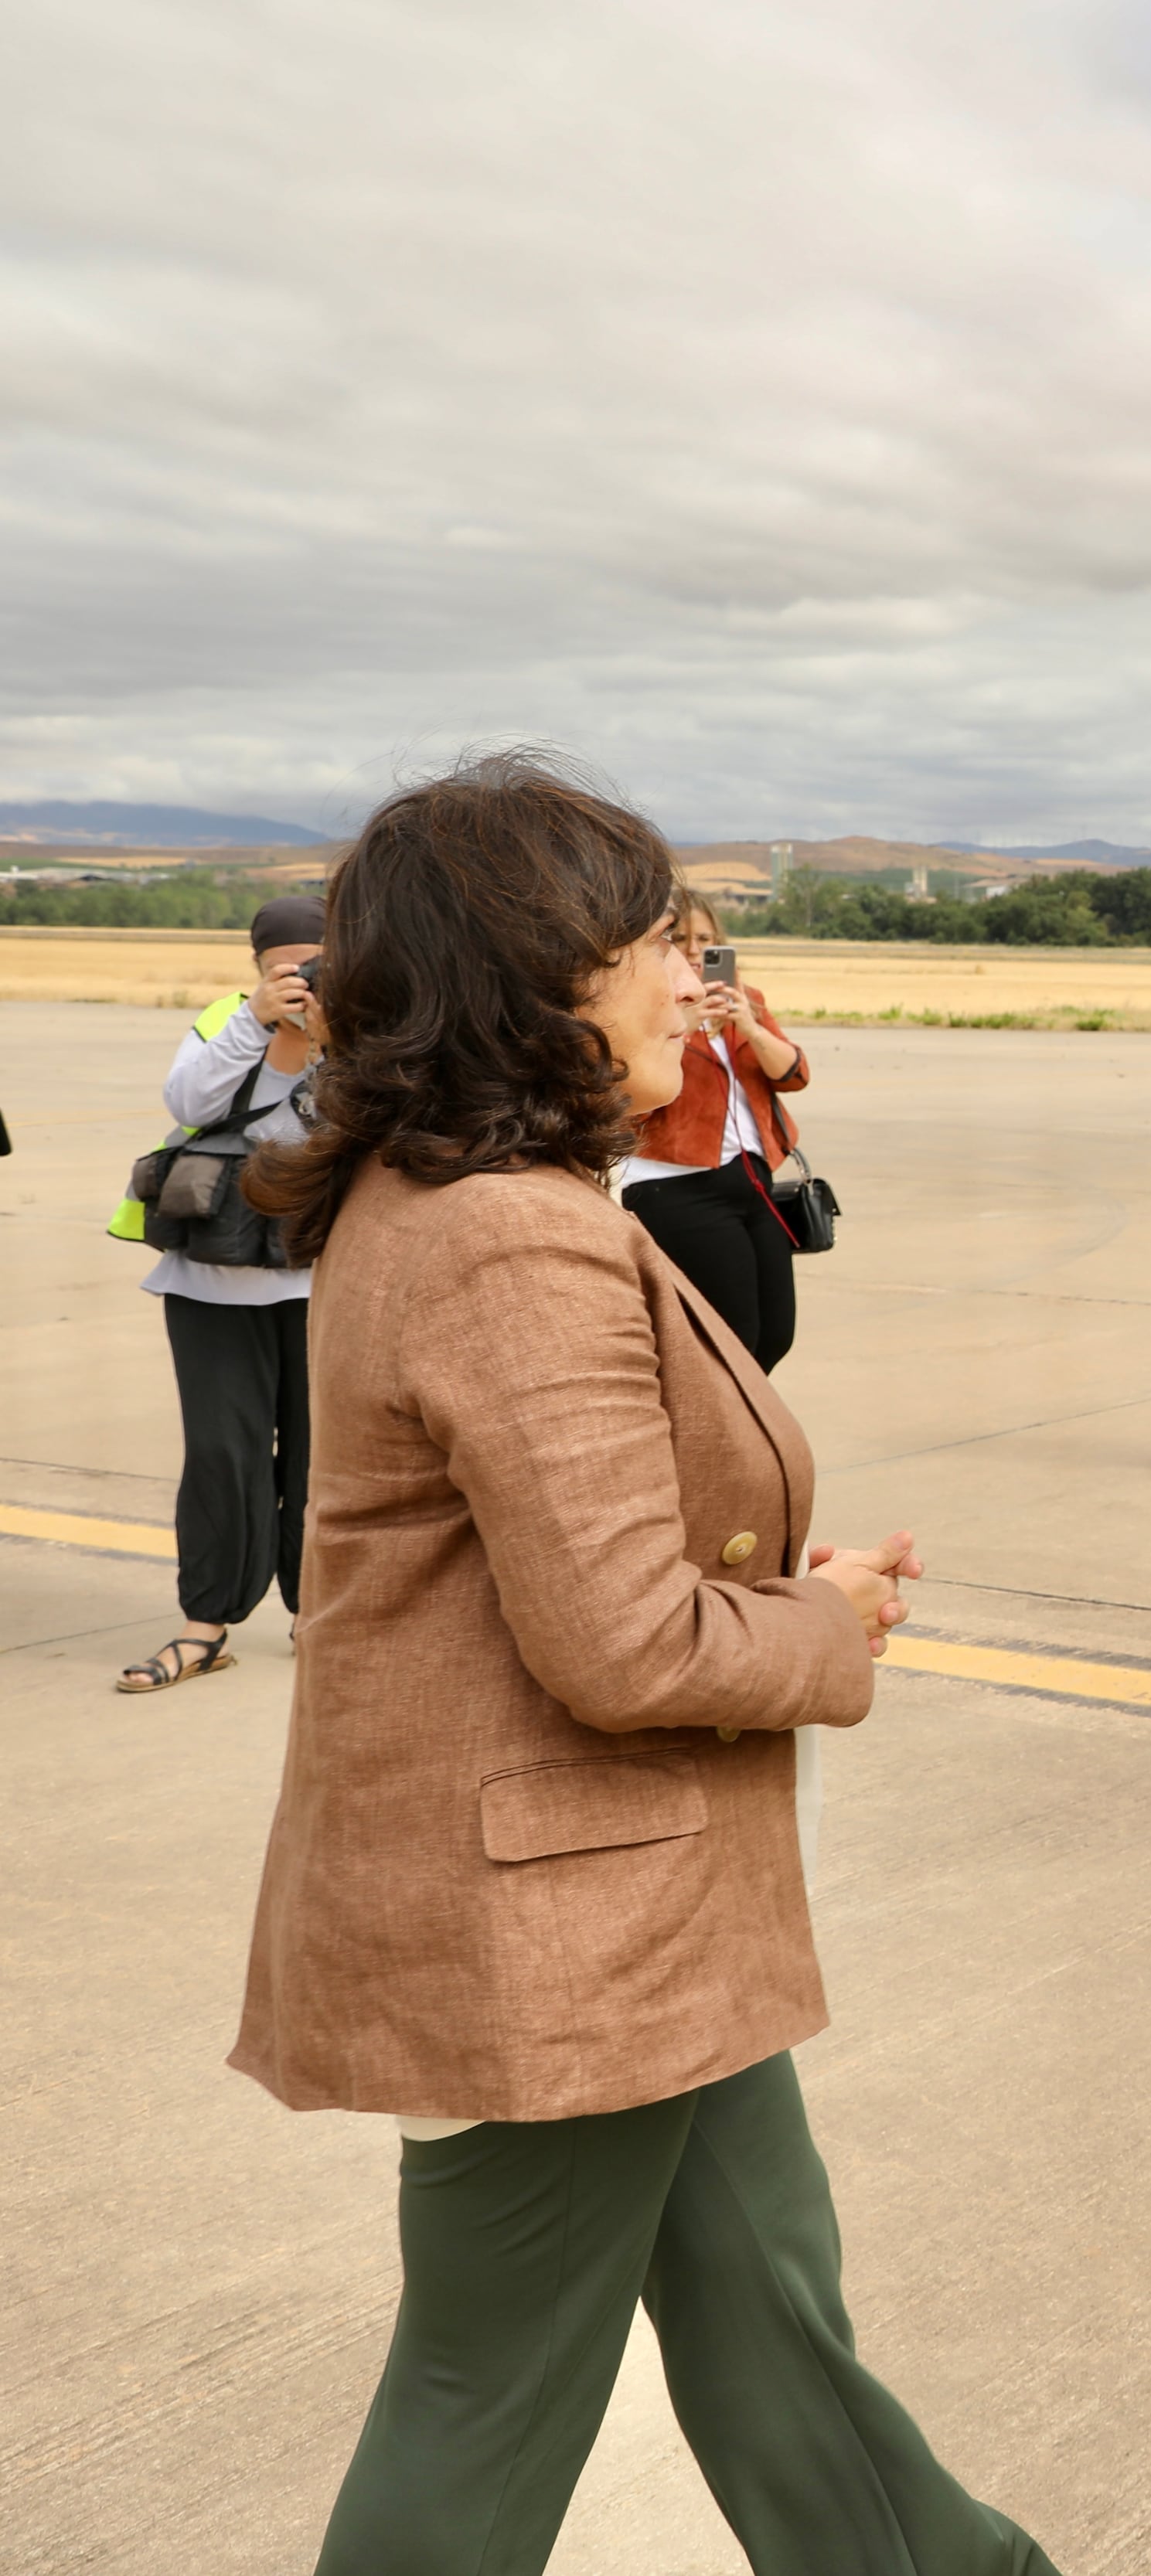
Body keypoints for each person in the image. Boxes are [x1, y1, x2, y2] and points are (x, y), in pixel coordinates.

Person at [230, 749, 1055, 2575]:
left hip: (628, 1915)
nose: (697, 980)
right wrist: (824, 1628)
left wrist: (793, 1583)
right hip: (554, 1937)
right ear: (540, 980)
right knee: (486, 2396)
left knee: (772, 2327)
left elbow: (585, 1555)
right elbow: (620, 1641)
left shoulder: (460, 1200)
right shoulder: (509, 1240)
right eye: (658, 942)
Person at [117, 893, 327, 1693]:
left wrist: (333, 1037)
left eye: (317, 965)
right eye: (286, 968)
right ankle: (205, 1624)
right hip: (212, 1277)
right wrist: (258, 1024)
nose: (302, 979)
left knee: (323, 1462)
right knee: (220, 1455)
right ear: (259, 968)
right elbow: (189, 1105)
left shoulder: (368, 1027)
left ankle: (319, 1614)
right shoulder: (224, 1019)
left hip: (322, 1278)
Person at [620, 888, 809, 1370]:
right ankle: (722, 1438)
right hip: (678, 1187)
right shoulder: (649, 1007)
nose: (694, 948)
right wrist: (679, 1028)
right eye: (678, 936)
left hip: (754, 1181)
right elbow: (633, 1105)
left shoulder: (747, 1000)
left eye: (706, 937)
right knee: (730, 1338)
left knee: (776, 1334)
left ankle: (742, 1430)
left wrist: (750, 1025)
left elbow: (795, 1074)